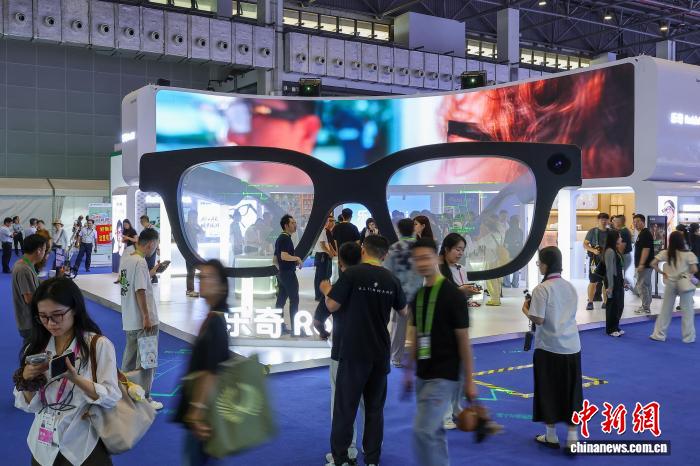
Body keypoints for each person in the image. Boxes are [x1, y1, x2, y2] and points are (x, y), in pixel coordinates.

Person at [13, 277, 121, 466]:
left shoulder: (97, 345)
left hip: (83, 443)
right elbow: (28, 406)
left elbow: (112, 396)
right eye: (43, 316)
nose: (50, 323)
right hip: (43, 445)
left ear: (75, 309)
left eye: (57, 315)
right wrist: (27, 380)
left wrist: (76, 379)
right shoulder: (36, 347)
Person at [321, 235, 407, 466]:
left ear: (363, 250)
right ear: (385, 255)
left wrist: (327, 289)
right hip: (379, 352)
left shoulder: (352, 274)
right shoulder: (391, 279)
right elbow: (404, 312)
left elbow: (332, 305)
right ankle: (372, 459)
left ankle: (341, 458)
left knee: (345, 408)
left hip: (353, 352)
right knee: (374, 410)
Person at [403, 237, 477, 466]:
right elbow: (416, 335)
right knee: (433, 431)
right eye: (417, 259)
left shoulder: (453, 296)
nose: (422, 263)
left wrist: (469, 381)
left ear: (436, 258)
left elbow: (464, 341)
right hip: (423, 373)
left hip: (445, 375)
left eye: (426, 257)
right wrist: (408, 371)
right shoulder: (418, 296)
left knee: (423, 430)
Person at [523, 246, 582, 454]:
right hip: (572, 346)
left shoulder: (542, 289)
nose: (539, 266)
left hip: (549, 347)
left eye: (539, 262)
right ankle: (573, 437)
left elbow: (538, 319)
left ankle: (551, 434)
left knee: (547, 390)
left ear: (545, 264)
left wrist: (526, 309)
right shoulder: (570, 287)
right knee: (572, 391)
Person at [174, 260, 231, 466]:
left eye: (209, 277)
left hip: (205, 414)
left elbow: (211, 371)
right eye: (201, 277)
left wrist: (197, 411)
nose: (202, 281)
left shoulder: (215, 323)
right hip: (207, 412)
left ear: (222, 286)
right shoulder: (212, 318)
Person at [313, 242, 365, 465]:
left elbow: (318, 320)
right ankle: (371, 449)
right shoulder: (375, 283)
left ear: (340, 262)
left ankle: (346, 452)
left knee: (342, 404)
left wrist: (323, 333)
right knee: (369, 404)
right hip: (371, 352)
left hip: (342, 351)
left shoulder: (337, 288)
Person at [437, 233, 481, 430]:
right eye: (457, 249)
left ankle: (455, 408)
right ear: (446, 249)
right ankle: (444, 414)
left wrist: (467, 294)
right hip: (443, 325)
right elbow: (438, 296)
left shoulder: (461, 269)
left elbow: (460, 294)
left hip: (460, 322)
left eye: (462, 250)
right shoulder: (437, 270)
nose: (460, 253)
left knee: (460, 370)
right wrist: (460, 291)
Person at [119, 228, 163, 411]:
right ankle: (144, 398)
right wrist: (146, 316)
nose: (156, 248)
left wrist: (153, 272)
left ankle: (124, 394)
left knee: (129, 361)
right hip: (143, 320)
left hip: (129, 318)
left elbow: (126, 283)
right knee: (147, 361)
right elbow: (140, 290)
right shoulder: (140, 262)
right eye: (156, 244)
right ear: (151, 244)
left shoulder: (127, 259)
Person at [384, 218, 424, 368]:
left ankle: (396, 357)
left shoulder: (394, 248)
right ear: (413, 229)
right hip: (419, 291)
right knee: (421, 327)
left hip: (400, 293)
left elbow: (388, 272)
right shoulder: (421, 247)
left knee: (398, 327)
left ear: (399, 231)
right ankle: (423, 355)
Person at [649, 231, 698, 343]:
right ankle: (688, 337)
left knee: (665, 310)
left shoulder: (666, 253)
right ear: (682, 240)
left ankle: (659, 335)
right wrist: (687, 274)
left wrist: (662, 272)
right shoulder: (689, 254)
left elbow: (652, 263)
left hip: (670, 283)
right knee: (687, 311)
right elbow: (694, 269)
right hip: (684, 283)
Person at [12, 235, 48, 346]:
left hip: (30, 320)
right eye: (44, 250)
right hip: (30, 321)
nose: (45, 253)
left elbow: (34, 283)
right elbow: (29, 298)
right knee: (33, 351)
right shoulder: (23, 269)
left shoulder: (27, 263)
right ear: (38, 250)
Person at [274, 214, 303, 335]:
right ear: (286, 225)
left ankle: (279, 326)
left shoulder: (281, 238)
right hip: (288, 274)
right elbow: (283, 256)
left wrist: (279, 271)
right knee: (294, 300)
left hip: (282, 273)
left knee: (281, 300)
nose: (295, 225)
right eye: (292, 223)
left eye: (295, 222)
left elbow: (275, 259)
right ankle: (295, 329)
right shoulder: (285, 238)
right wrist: (297, 258)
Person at [475, 218, 504, 306]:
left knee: (490, 279)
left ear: (488, 227)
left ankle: (495, 299)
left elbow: (479, 243)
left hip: (490, 259)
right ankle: (496, 298)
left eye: (483, 227)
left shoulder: (489, 236)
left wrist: (480, 234)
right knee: (496, 279)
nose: (482, 228)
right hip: (497, 258)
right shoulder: (498, 234)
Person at [583, 213, 609, 310]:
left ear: (608, 221)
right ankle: (590, 302)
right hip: (595, 260)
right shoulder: (592, 231)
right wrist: (593, 250)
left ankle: (605, 302)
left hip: (607, 260)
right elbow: (585, 244)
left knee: (606, 282)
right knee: (593, 281)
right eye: (602, 219)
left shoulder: (610, 232)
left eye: (605, 219)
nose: (604, 221)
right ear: (598, 220)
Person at [603, 230, 625, 337]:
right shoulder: (610, 251)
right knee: (612, 305)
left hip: (618, 280)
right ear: (614, 238)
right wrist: (610, 286)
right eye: (619, 237)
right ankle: (611, 329)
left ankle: (616, 326)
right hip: (612, 281)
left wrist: (622, 281)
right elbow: (609, 270)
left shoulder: (615, 250)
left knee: (619, 305)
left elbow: (618, 268)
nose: (621, 239)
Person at [633, 214, 654, 314]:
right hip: (645, 265)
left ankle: (645, 307)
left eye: (638, 221)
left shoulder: (645, 234)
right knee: (646, 285)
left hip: (644, 265)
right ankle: (646, 305)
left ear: (643, 222)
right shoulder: (642, 233)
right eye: (634, 222)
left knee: (642, 285)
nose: (635, 224)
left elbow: (646, 249)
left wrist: (641, 264)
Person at [314, 214, 337, 301]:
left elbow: (327, 244)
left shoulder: (322, 231)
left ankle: (319, 295)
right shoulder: (322, 231)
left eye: (332, 221)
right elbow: (323, 245)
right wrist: (330, 253)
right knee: (322, 276)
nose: (330, 223)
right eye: (328, 221)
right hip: (322, 256)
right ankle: (320, 296)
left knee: (320, 276)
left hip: (320, 255)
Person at [185, 210, 205, 298]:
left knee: (191, 271)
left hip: (194, 251)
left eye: (196, 217)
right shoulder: (186, 226)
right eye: (193, 217)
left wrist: (197, 225)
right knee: (191, 271)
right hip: (188, 251)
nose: (194, 219)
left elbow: (202, 233)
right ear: (189, 216)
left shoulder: (193, 227)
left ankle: (189, 290)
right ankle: (190, 290)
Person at [503, 215, 524, 288]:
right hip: (518, 252)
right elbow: (521, 242)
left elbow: (506, 242)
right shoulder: (520, 231)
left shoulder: (508, 231)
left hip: (509, 252)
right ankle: (515, 283)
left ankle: (507, 283)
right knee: (516, 269)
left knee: (507, 268)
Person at [612, 215, 633, 287]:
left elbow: (621, 248)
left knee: (622, 276)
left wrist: (617, 258)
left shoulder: (623, 232)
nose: (613, 222)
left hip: (624, 256)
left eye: (615, 221)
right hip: (625, 256)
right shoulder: (622, 230)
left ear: (619, 222)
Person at [140, 215, 159, 284]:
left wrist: (157, 248)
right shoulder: (145, 229)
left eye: (142, 221)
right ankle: (153, 278)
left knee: (150, 264)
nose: (141, 223)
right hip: (147, 249)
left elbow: (156, 239)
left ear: (145, 221)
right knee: (148, 264)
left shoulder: (151, 228)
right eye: (140, 222)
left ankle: (153, 278)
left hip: (151, 249)